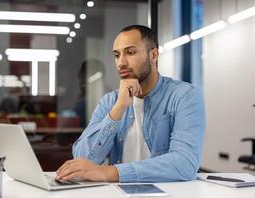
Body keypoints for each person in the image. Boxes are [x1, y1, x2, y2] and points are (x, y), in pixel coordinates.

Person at [56, 25, 205, 183]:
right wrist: (119, 108)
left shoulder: (184, 96)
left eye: (130, 52)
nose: (121, 62)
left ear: (153, 55)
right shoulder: (111, 101)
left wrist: (110, 173)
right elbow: (82, 159)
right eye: (116, 55)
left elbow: (184, 164)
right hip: (119, 194)